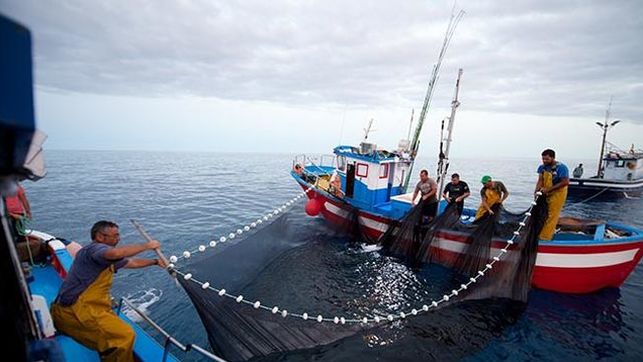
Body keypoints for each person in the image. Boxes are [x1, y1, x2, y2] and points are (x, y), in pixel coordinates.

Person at [50, 221, 167, 362]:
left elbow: (131, 262)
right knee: (124, 336)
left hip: (91, 308)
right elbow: (115, 253)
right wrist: (146, 246)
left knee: (117, 335)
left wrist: (154, 262)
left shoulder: (105, 258)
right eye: (114, 235)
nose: (118, 239)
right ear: (100, 236)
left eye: (118, 235)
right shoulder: (94, 250)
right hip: (75, 310)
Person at [535, 149, 570, 241]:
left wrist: (549, 190)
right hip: (545, 193)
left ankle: (545, 237)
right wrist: (536, 191)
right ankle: (539, 232)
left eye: (547, 159)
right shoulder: (542, 168)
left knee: (552, 215)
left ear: (553, 158)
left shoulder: (561, 168)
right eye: (543, 159)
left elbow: (565, 182)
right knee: (543, 213)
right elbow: (540, 180)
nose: (544, 161)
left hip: (558, 194)